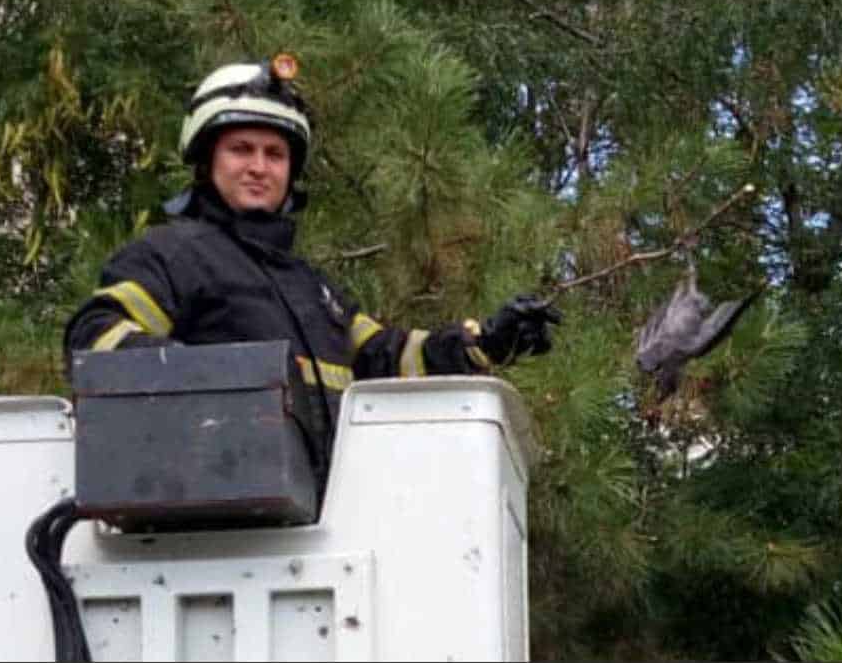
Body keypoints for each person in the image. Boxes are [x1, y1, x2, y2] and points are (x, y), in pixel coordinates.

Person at [63, 55, 561, 477]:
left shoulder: (313, 288)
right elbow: (96, 338)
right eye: (241, 149)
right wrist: (216, 389)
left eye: (275, 154)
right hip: (210, 529)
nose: (259, 167)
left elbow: (387, 359)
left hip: (323, 529)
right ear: (206, 161)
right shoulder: (171, 255)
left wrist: (486, 343)